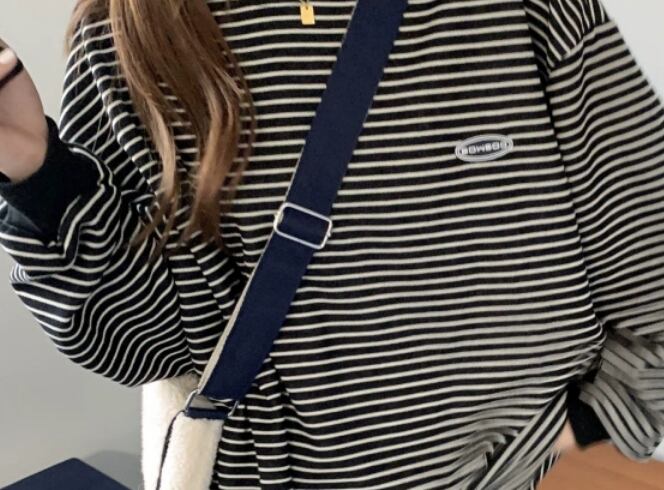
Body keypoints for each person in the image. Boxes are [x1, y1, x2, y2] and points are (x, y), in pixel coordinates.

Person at [1, 0, 663, 488]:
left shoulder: (533, 12)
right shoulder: (129, 36)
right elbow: (144, 346)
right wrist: (37, 172)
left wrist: (581, 441)